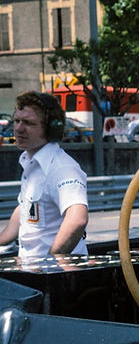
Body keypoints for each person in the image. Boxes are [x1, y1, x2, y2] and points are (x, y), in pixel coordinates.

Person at [0, 92, 88, 259]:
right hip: (32, 271)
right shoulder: (30, 162)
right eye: (17, 121)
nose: (18, 128)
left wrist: (51, 262)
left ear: (51, 128)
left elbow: (77, 219)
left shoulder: (62, 168)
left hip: (52, 277)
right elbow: (25, 209)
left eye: (28, 123)